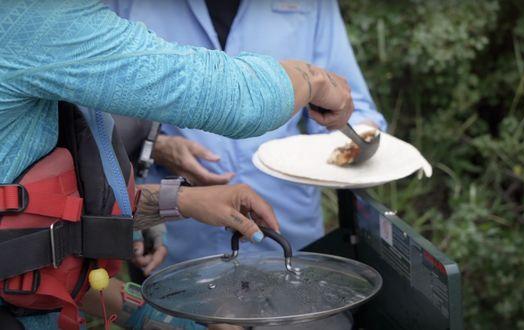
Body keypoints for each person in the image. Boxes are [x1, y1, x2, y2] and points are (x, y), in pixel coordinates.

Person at [0, 1, 355, 328]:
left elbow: (39, 238)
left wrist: (175, 202)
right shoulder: (33, 18)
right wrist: (314, 79)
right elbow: (238, 98)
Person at [106, 0, 387, 270]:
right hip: (175, 237)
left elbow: (351, 104)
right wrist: (154, 145)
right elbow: (91, 108)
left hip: (287, 229)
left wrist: (360, 135)